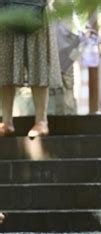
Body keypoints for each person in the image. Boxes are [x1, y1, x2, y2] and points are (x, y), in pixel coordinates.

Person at [0, 0, 62, 138]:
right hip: (5, 8)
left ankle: (41, 121)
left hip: (37, 8)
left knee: (39, 62)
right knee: (4, 63)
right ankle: (6, 122)